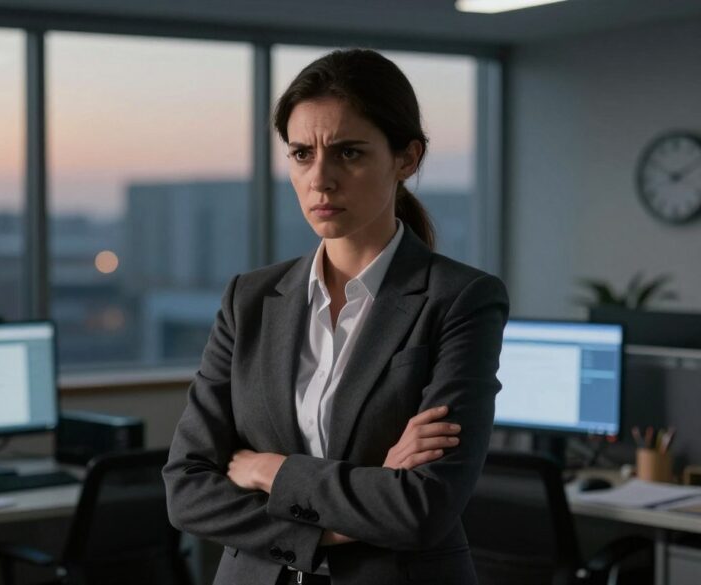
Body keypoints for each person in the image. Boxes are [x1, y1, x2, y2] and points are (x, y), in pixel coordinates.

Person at [163, 48, 509, 585]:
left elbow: (421, 508)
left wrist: (266, 470)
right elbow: (186, 490)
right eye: (302, 154)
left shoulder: (462, 299)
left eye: (348, 153)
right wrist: (349, 511)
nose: (320, 179)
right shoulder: (249, 299)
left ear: (407, 158)